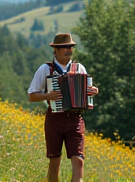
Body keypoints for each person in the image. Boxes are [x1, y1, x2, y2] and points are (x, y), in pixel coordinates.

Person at [28, 33, 98, 182]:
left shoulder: (79, 68)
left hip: (75, 119)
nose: (69, 50)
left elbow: (87, 94)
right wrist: (48, 96)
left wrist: (92, 92)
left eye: (71, 47)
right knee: (55, 162)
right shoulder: (45, 69)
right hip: (55, 119)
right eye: (65, 47)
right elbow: (31, 96)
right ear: (56, 50)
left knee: (78, 160)